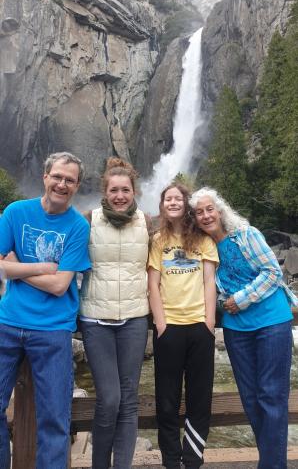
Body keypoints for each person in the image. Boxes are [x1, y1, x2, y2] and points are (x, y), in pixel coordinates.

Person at [190, 187, 298, 469]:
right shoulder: (204, 248)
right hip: (237, 330)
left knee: (271, 396)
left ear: (220, 210)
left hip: (272, 321)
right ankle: (272, 461)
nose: (205, 215)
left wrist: (241, 298)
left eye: (209, 209)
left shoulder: (246, 235)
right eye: (199, 212)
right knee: (251, 399)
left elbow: (273, 272)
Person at [0, 152, 91, 469]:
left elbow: (60, 285)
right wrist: (41, 266)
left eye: (70, 180)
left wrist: (16, 267)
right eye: (57, 176)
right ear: (45, 176)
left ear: (77, 186)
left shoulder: (78, 226)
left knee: (54, 419)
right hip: (7, 323)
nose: (62, 184)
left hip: (53, 330)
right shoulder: (15, 212)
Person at [79, 157, 150, 469]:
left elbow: (184, 241)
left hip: (134, 318)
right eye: (114, 190)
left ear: (134, 191)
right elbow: (60, 246)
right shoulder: (87, 219)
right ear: (104, 192)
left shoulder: (148, 222)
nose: (120, 195)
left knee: (129, 399)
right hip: (96, 319)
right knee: (109, 399)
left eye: (126, 190)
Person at [148, 183, 218, 469]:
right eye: (168, 199)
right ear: (163, 205)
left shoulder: (203, 239)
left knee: (200, 397)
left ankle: (192, 459)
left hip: (199, 326)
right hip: (170, 328)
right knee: (167, 398)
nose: (173, 202)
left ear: (185, 203)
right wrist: (161, 324)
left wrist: (210, 323)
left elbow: (209, 281)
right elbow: (153, 282)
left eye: (178, 198)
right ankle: (171, 460)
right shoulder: (158, 239)